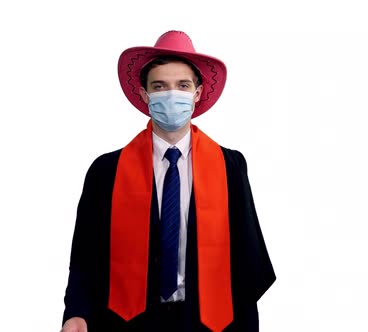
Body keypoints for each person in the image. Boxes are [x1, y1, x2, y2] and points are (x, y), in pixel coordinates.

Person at [61, 30, 276, 332]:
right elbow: (85, 254)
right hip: (124, 321)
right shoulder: (106, 170)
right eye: (160, 86)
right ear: (145, 95)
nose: (171, 94)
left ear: (197, 93)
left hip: (208, 321)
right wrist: (76, 313)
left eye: (182, 85)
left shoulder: (230, 166)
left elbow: (247, 257)